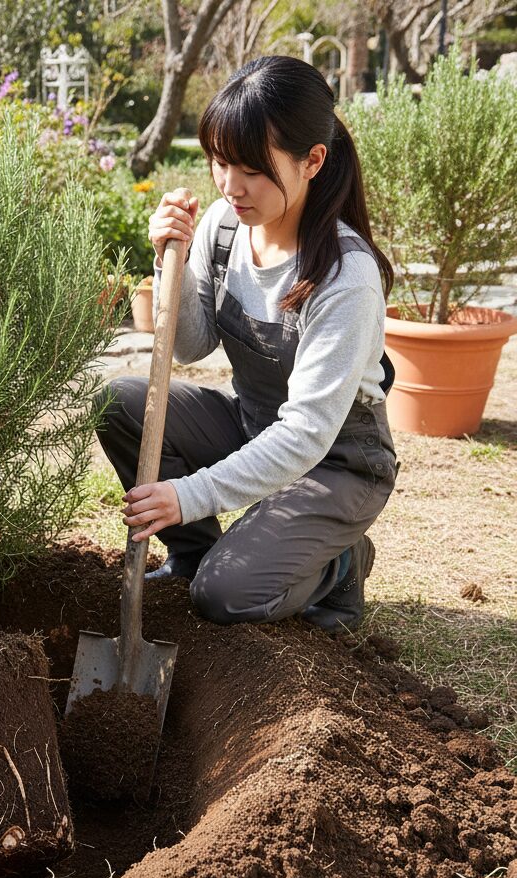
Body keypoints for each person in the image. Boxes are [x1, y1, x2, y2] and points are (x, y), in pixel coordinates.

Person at [94, 55, 399, 634]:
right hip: (255, 423)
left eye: (252, 170)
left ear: (312, 161)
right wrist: (170, 262)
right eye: (219, 162)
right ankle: (191, 555)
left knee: (225, 595)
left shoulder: (343, 277)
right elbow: (188, 345)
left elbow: (308, 434)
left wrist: (189, 494)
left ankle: (341, 560)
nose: (231, 186)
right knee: (120, 403)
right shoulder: (225, 225)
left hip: (337, 462)